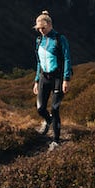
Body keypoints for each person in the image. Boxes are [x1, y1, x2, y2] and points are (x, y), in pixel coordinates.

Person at [33, 11, 72, 143]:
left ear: (50, 25)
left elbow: (67, 58)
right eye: (38, 28)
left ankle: (56, 140)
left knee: (55, 109)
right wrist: (36, 81)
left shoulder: (59, 39)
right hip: (44, 77)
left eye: (43, 28)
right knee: (40, 108)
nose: (41, 31)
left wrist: (66, 79)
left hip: (58, 78)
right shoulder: (39, 40)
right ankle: (48, 121)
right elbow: (39, 62)